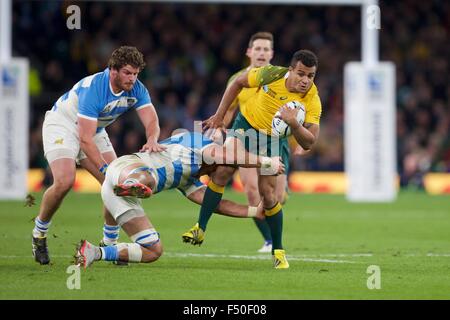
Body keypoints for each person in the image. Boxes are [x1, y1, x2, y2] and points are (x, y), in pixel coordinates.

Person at [183, 50, 322, 269]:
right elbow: (238, 82)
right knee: (222, 171)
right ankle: (200, 228)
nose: (305, 80)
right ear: (290, 70)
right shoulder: (271, 74)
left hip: (274, 140)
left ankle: (278, 251)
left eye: (310, 76)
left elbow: (309, 142)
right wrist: (220, 116)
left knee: (267, 195)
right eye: (301, 74)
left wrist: (294, 124)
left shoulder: (312, 98)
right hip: (246, 127)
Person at [32, 46, 166, 265]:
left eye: (135, 74)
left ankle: (108, 242)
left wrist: (152, 139)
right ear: (113, 70)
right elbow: (83, 138)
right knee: (65, 181)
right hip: (63, 125)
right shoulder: (94, 89)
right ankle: (39, 234)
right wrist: (106, 169)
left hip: (93, 130)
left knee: (116, 185)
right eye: (127, 73)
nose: (132, 79)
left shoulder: (137, 89)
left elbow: (151, 120)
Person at [74, 130, 284, 267]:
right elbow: (224, 156)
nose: (218, 175)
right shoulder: (199, 143)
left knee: (153, 251)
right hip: (127, 167)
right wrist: (266, 162)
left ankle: (96, 252)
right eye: (221, 170)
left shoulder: (189, 180)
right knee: (149, 177)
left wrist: (253, 212)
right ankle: (133, 185)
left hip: (115, 193)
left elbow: (215, 204)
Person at [222, 31, 291, 253]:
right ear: (249, 52)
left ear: (272, 54)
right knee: (252, 192)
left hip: (274, 141)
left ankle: (273, 231)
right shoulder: (237, 80)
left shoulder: (281, 79)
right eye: (257, 49)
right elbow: (228, 111)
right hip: (247, 139)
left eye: (265, 49)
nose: (261, 53)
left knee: (276, 197)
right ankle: (270, 240)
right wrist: (219, 129)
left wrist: (298, 144)